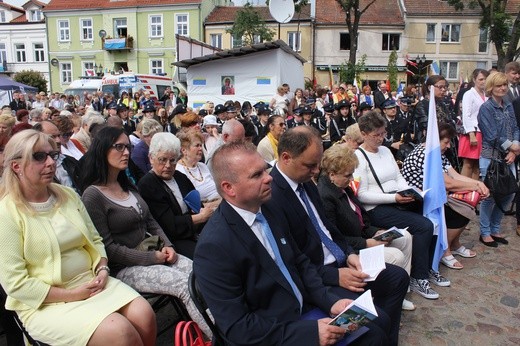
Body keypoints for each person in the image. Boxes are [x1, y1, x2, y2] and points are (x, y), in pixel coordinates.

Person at [194, 142, 387, 346]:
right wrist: (307, 333)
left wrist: (330, 301)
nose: (269, 177)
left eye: (265, 170)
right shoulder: (214, 246)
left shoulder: (267, 208)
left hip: (302, 310)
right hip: (274, 332)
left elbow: (299, 262)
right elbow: (238, 327)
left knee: (377, 321)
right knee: (373, 338)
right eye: (256, 175)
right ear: (228, 188)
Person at [0, 129, 156, 345]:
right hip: (46, 302)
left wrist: (102, 268)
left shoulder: (68, 195)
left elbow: (95, 240)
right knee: (119, 332)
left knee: (144, 314)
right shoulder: (7, 212)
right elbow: (15, 284)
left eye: (52, 155)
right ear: (16, 166)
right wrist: (73, 294)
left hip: (91, 282)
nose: (50, 163)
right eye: (38, 156)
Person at [265, 126, 408, 345]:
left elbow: (328, 228)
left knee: (397, 278)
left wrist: (349, 254)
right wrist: (334, 275)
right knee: (375, 326)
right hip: (321, 276)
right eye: (311, 165)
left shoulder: (305, 182)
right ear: (286, 158)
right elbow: (293, 259)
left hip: (341, 261)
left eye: (318, 165)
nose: (316, 171)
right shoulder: (272, 196)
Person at [79, 126, 212, 338]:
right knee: (182, 285)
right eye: (119, 147)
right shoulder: (93, 196)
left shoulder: (127, 186)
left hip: (153, 252)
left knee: (199, 273)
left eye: (128, 147)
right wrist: (152, 257)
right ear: (103, 150)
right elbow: (108, 248)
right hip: (124, 267)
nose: (126, 152)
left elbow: (151, 221)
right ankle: (218, 337)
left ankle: (221, 325)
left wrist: (168, 246)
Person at [353, 111, 443, 299]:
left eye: (383, 133)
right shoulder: (359, 157)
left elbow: (398, 177)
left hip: (397, 200)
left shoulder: (386, 151)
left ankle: (427, 266)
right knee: (423, 226)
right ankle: (418, 277)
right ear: (363, 133)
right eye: (376, 135)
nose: (380, 138)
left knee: (433, 217)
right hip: (377, 208)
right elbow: (361, 195)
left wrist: (409, 191)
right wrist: (395, 198)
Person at [317, 145, 415, 310]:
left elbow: (361, 219)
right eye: (348, 175)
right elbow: (334, 237)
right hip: (351, 250)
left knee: (405, 236)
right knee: (395, 256)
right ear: (332, 174)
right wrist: (366, 243)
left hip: (363, 238)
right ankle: (387, 298)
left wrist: (375, 232)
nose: (351, 178)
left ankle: (400, 292)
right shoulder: (326, 196)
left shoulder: (342, 187)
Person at [403, 123, 489, 269]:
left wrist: (479, 185)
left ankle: (454, 244)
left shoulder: (437, 153)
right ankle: (444, 249)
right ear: (436, 140)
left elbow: (455, 175)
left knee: (472, 198)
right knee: (463, 208)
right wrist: (475, 186)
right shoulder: (425, 155)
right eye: (446, 142)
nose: (448, 146)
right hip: (418, 201)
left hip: (435, 196)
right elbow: (448, 183)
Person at [138, 133, 217, 259]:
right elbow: (169, 226)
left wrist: (202, 214)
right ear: (151, 158)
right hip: (172, 241)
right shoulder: (147, 185)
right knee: (209, 257)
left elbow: (197, 205)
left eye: (173, 160)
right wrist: (200, 217)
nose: (168, 165)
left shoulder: (180, 177)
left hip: (196, 230)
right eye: (162, 159)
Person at [478, 72, 520, 247]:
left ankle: (495, 228)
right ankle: (485, 231)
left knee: (508, 193)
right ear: (491, 88)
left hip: (509, 156)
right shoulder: (486, 108)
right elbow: (491, 136)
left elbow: (516, 127)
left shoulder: (508, 105)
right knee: (490, 196)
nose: (502, 88)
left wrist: (515, 147)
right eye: (498, 86)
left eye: (504, 85)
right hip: (491, 158)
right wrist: (511, 147)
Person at [459, 69, 490, 180]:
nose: (483, 81)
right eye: (481, 79)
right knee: (468, 163)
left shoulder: (487, 95)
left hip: (483, 132)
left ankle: (474, 190)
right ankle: (463, 189)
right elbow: (466, 115)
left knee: (477, 164)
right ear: (474, 80)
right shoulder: (469, 94)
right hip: (472, 132)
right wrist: (471, 134)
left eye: (485, 79)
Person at [176, 128, 221, 203]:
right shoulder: (179, 171)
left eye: (201, 145)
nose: (200, 149)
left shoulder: (202, 166)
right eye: (197, 146)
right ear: (184, 150)